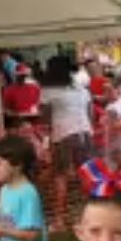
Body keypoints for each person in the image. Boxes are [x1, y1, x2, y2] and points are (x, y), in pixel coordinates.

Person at [40, 53, 92, 224]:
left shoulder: (48, 90)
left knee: (60, 176)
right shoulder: (81, 87)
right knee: (86, 175)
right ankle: (90, 214)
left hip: (63, 134)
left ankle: (59, 218)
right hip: (85, 133)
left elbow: (44, 116)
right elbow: (90, 111)